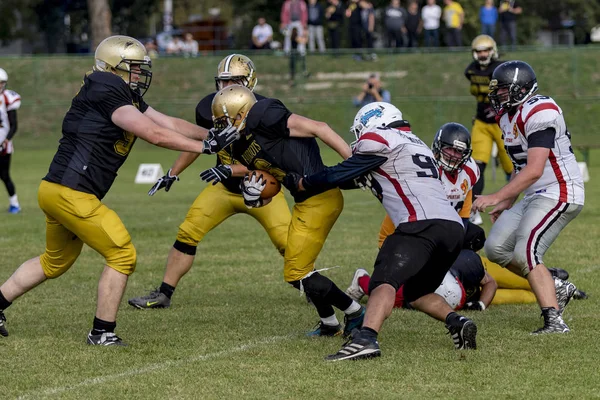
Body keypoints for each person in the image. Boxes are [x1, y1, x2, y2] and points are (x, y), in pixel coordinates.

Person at [0, 36, 238, 344]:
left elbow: (167, 122)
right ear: (114, 67)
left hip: (56, 189)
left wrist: (214, 134)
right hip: (73, 191)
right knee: (122, 255)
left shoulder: (118, 92)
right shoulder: (105, 88)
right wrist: (206, 146)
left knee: (54, 261)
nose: (139, 75)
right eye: (134, 68)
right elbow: (154, 134)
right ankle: (102, 332)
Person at [287, 103, 476, 361]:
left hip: (420, 223)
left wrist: (303, 183)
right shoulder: (416, 143)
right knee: (416, 293)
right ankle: (457, 322)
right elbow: (363, 177)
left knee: (382, 282)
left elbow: (340, 173)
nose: (359, 137)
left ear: (373, 122)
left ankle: (366, 339)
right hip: (453, 229)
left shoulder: (381, 138)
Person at [347, 123, 582, 311]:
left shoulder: (469, 171)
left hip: (444, 239)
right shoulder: (425, 171)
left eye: (458, 150)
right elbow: (403, 223)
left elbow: (463, 217)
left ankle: (551, 283)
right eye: (448, 148)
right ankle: (551, 282)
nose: (452, 155)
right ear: (437, 147)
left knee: (482, 269)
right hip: (410, 241)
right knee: (430, 294)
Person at [128, 54, 292, 310]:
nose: (227, 88)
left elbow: (271, 162)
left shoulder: (267, 112)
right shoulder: (210, 107)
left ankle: (311, 285)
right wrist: (173, 172)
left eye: (235, 81)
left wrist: (230, 169)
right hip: (223, 188)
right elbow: (201, 144)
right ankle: (164, 294)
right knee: (187, 233)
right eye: (223, 81)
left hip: (261, 188)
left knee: (288, 244)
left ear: (249, 81)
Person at [201, 85, 366, 338]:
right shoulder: (240, 145)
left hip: (320, 198)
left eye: (225, 120)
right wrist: (251, 194)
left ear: (242, 113)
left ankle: (354, 312)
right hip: (305, 200)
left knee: (296, 272)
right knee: (301, 268)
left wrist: (355, 163)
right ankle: (330, 323)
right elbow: (268, 184)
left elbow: (319, 127)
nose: (221, 127)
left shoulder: (263, 116)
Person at [473, 60, 584, 334]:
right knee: (496, 247)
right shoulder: (508, 116)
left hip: (560, 190)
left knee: (527, 251)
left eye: (502, 91)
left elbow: (535, 169)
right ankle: (556, 285)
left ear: (520, 90)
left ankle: (554, 320)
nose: (496, 96)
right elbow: (522, 167)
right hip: (535, 193)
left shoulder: (540, 111)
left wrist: (496, 195)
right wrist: (507, 201)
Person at [464, 34, 513, 225]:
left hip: (501, 122)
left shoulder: (501, 69)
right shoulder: (471, 71)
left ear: (492, 50)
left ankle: (513, 205)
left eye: (485, 50)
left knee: (512, 167)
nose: (483, 54)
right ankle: (474, 208)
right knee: (476, 166)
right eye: (479, 51)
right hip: (482, 123)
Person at [0, 68, 22, 214]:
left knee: (4, 175)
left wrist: (6, 140)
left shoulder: (7, 98)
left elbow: (14, 125)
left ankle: (15, 204)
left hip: (3, 144)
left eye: (2, 83)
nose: (0, 86)